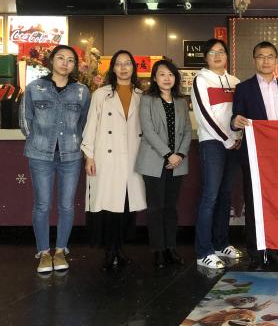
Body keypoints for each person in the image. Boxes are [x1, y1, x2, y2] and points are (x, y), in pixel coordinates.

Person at [19, 45, 90, 273]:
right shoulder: (34, 88)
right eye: (60, 58)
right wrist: (38, 141)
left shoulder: (81, 91)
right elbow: (25, 121)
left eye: (70, 59)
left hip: (71, 155)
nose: (65, 63)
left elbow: (84, 123)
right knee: (42, 205)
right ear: (51, 61)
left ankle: (60, 251)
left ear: (75, 65)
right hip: (40, 156)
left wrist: (76, 142)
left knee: (66, 205)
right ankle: (43, 253)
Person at [231, 41, 278, 270]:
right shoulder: (243, 88)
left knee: (277, 204)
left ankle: (275, 251)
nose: (265, 60)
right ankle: (256, 254)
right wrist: (235, 121)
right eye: (261, 56)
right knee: (254, 203)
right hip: (254, 155)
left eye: (270, 56)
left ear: (276, 60)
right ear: (254, 60)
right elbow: (235, 118)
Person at [82, 50, 147, 270]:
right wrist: (89, 156)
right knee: (109, 207)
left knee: (127, 205)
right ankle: (109, 251)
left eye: (127, 63)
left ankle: (120, 249)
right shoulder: (101, 94)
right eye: (118, 64)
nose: (123, 67)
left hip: (132, 157)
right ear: (113, 68)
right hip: (107, 157)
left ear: (133, 67)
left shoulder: (141, 95)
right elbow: (91, 125)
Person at [190, 38, 242, 270]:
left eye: (221, 51)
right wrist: (227, 139)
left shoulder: (235, 81)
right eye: (212, 52)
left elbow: (240, 113)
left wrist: (238, 138)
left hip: (234, 144)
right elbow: (204, 115)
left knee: (225, 195)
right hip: (213, 144)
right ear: (205, 57)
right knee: (210, 196)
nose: (217, 56)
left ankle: (221, 244)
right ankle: (204, 251)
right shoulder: (201, 80)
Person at [135, 60, 192, 269]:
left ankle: (171, 248)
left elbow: (187, 130)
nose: (167, 78)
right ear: (154, 77)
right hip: (154, 160)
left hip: (177, 163)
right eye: (162, 74)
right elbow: (148, 130)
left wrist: (180, 155)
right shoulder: (147, 99)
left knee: (171, 208)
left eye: (171, 74)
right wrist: (168, 154)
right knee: (156, 208)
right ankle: (158, 250)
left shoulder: (181, 101)